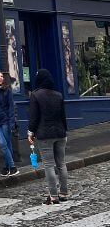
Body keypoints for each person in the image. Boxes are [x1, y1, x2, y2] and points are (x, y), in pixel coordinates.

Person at [27, 68, 68, 205]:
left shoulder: (36, 95)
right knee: (61, 163)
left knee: (49, 165)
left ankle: (54, 195)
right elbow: (63, 116)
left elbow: (34, 117)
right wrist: (65, 130)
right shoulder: (58, 95)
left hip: (45, 134)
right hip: (60, 133)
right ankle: (64, 192)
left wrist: (30, 132)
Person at [0, 70, 19, 177]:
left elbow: (11, 107)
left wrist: (12, 122)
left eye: (1, 76)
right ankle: (13, 166)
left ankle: (6, 167)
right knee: (2, 143)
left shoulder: (7, 90)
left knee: (7, 143)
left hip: (5, 120)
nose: (0, 78)